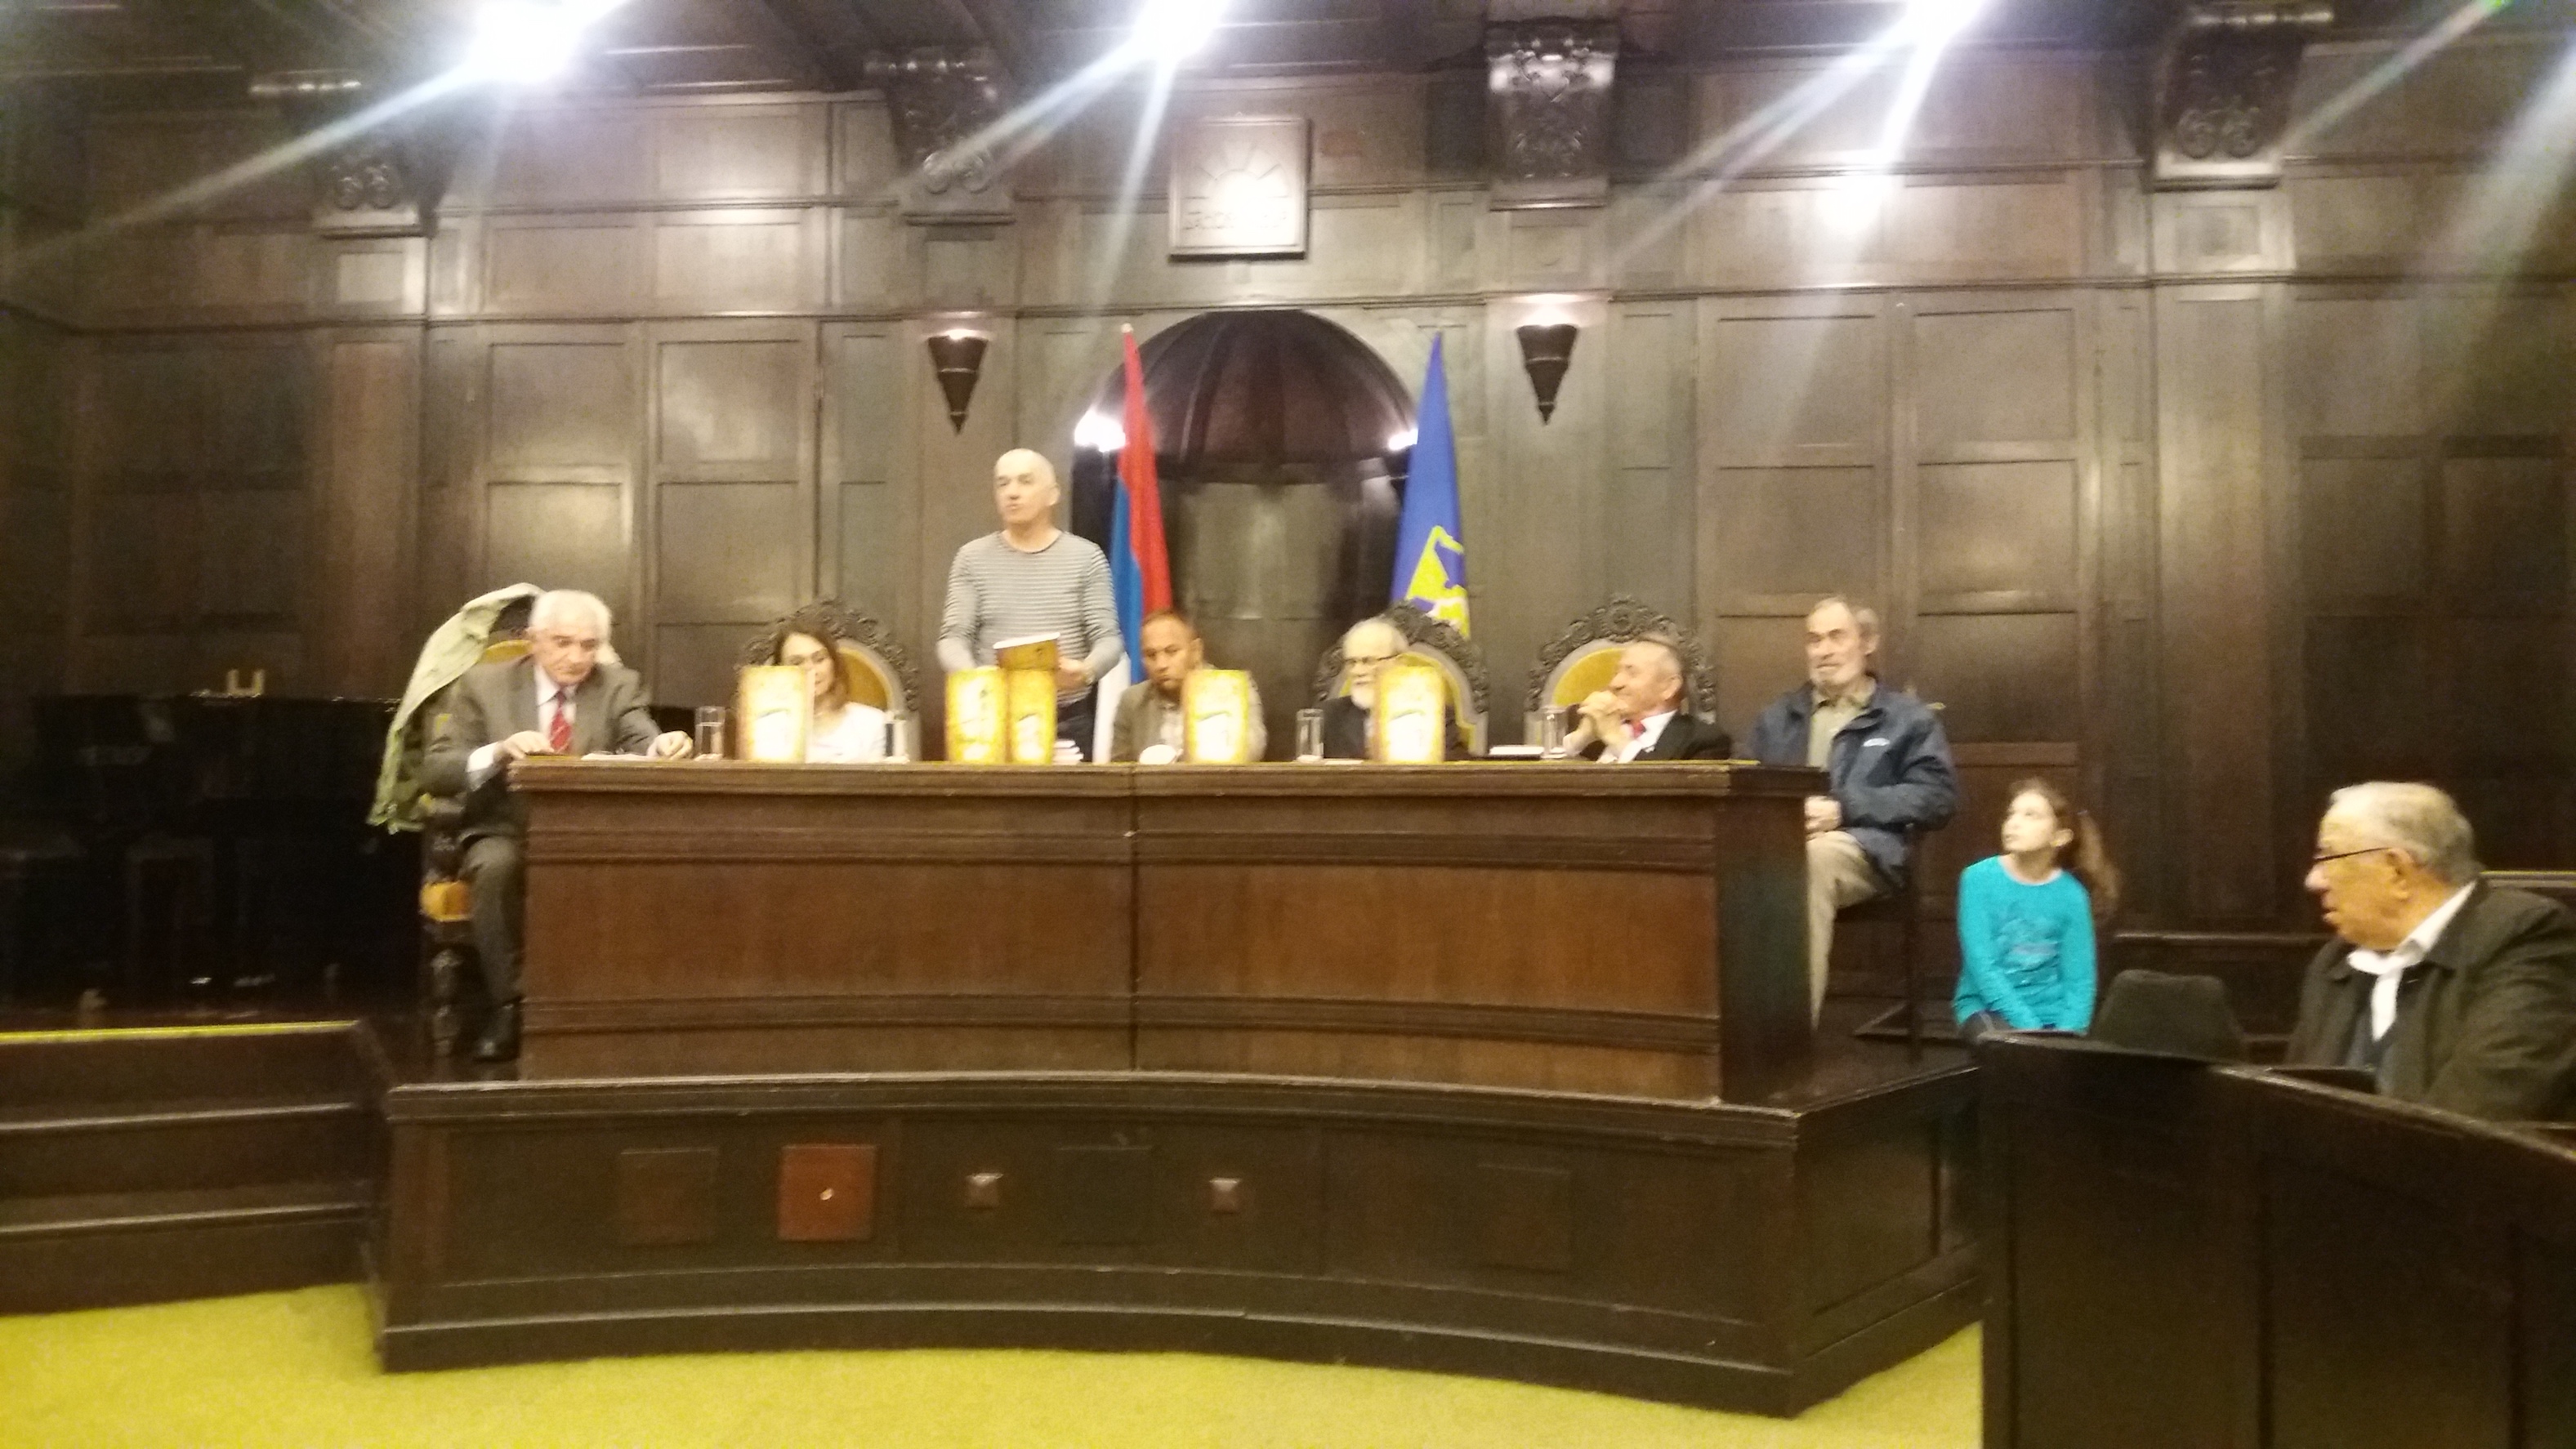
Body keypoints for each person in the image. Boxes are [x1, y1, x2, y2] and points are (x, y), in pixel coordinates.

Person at [421, 589, 692, 1061]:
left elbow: (641, 738)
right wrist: (498, 751)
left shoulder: (617, 685)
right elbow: (437, 769)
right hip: (505, 827)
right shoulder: (484, 685)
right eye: (563, 643)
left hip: (588, 834)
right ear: (534, 640)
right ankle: (511, 1007)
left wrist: (662, 747)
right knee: (497, 869)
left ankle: (609, 1009)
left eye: (588, 646)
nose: (576, 657)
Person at [2285, 782, 2576, 1121]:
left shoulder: (2525, 936)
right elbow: (2294, 1106)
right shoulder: (2336, 961)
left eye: (2326, 857)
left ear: (2396, 870)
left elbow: (2481, 1108)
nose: (2314, 881)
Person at [1744, 595, 1958, 1023]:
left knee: (1810, 861)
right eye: (1814, 640)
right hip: (1778, 844)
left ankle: (1784, 1033)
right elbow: (1747, 789)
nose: (1823, 650)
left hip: (1868, 849)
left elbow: (1938, 796)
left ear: (1867, 643)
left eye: (1836, 637)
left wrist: (1843, 808)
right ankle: (1707, 1030)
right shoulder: (1778, 718)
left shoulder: (1906, 718)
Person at [937, 448, 1123, 760]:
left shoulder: (1086, 557)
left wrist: (1086, 671)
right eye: (1003, 483)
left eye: (1025, 481)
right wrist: (978, 681)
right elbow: (952, 639)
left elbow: (1109, 639)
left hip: (1066, 719)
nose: (1012, 492)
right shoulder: (971, 558)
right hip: (988, 719)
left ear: (1053, 494)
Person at [1955, 779, 2117, 1041]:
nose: (2014, 823)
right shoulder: (1977, 879)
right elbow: (1983, 966)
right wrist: (2032, 1032)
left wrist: (2070, 1032)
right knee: (2012, 1053)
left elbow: (2080, 980)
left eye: (2031, 815)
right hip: (1988, 1008)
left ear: (2060, 837)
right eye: (2012, 814)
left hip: (2053, 1014)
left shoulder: (2072, 895)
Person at [1109, 609, 1267, 763]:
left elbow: (1251, 751)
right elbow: (1118, 770)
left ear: (1196, 651)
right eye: (1151, 655)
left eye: (1171, 652)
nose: (1161, 664)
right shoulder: (1132, 700)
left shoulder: (1234, 690)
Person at [1320, 616, 1469, 760]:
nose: (1357, 671)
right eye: (1351, 662)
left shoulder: (1433, 715)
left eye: (1369, 661)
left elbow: (1451, 769)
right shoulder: (1329, 716)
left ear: (1399, 662)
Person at [1560, 638, 1731, 762]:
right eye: (1617, 673)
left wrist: (1616, 738)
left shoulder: (1705, 741)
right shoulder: (1587, 724)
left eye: (1632, 673)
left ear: (1669, 687)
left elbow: (1668, 795)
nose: (1615, 684)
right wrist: (1580, 739)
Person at [760, 612, 886, 763]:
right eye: (797, 662)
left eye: (819, 659)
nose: (811, 670)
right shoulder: (765, 727)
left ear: (834, 663)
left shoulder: (872, 723)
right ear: (780, 670)